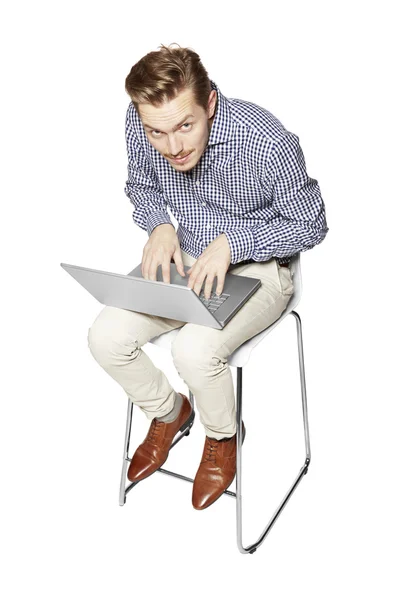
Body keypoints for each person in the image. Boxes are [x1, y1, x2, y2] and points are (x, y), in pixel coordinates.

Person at [87, 43, 328, 510]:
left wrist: (234, 243)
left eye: (185, 126)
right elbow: (141, 184)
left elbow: (311, 223)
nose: (173, 146)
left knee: (193, 351)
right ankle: (170, 413)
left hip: (262, 269)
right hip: (188, 260)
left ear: (210, 103)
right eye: (157, 132)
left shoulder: (265, 139)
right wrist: (158, 224)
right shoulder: (144, 122)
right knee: (105, 336)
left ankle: (224, 435)